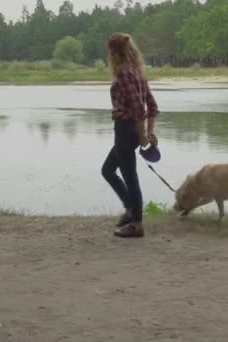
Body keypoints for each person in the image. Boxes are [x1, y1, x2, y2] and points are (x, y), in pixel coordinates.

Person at [101, 32, 159, 238]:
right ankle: (130, 210)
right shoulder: (137, 72)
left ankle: (136, 224)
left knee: (130, 177)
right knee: (108, 170)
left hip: (126, 129)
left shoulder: (124, 74)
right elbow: (152, 107)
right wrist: (149, 132)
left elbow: (139, 109)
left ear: (113, 53)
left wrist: (144, 134)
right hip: (131, 130)